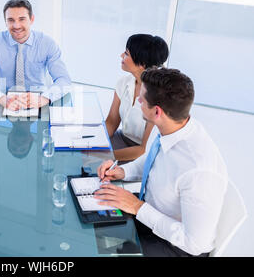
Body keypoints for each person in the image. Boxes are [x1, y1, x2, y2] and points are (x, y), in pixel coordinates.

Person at [95, 68, 228, 257]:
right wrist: (124, 171)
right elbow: (154, 160)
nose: (138, 102)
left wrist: (136, 207)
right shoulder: (174, 125)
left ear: (157, 111)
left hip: (174, 247)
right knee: (88, 214)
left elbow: (194, 244)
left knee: (95, 251)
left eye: (142, 99)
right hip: (150, 214)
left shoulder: (198, 170)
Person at [0, 0, 71, 111]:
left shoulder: (47, 44)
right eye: (11, 20)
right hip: (5, 102)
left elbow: (64, 80)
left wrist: (43, 98)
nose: (16, 25)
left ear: (31, 19)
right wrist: (1, 98)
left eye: (22, 19)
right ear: (5, 21)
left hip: (38, 101)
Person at [105, 34, 169, 163]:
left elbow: (143, 149)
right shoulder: (123, 83)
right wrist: (92, 144)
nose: (121, 56)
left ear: (142, 63)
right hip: (122, 139)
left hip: (141, 153)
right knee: (81, 159)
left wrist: (102, 156)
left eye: (127, 53)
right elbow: (111, 122)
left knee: (94, 166)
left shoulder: (158, 97)